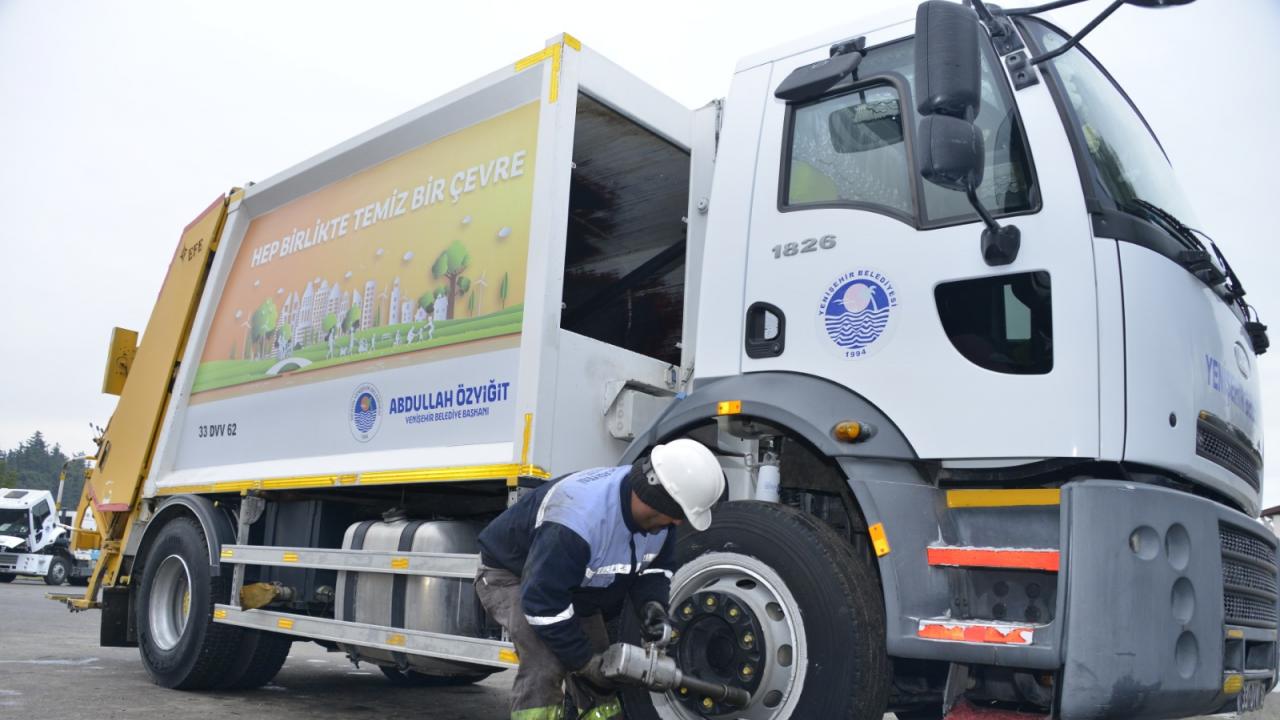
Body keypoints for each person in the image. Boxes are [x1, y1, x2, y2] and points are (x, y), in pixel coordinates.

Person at [475, 439, 726, 720]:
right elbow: (542, 604)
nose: (679, 523)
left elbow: (656, 568)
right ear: (659, 500)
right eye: (678, 514)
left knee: (604, 668)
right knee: (547, 659)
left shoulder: (659, 521)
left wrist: (652, 604)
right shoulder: (577, 521)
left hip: (571, 584)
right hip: (511, 575)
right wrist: (583, 661)